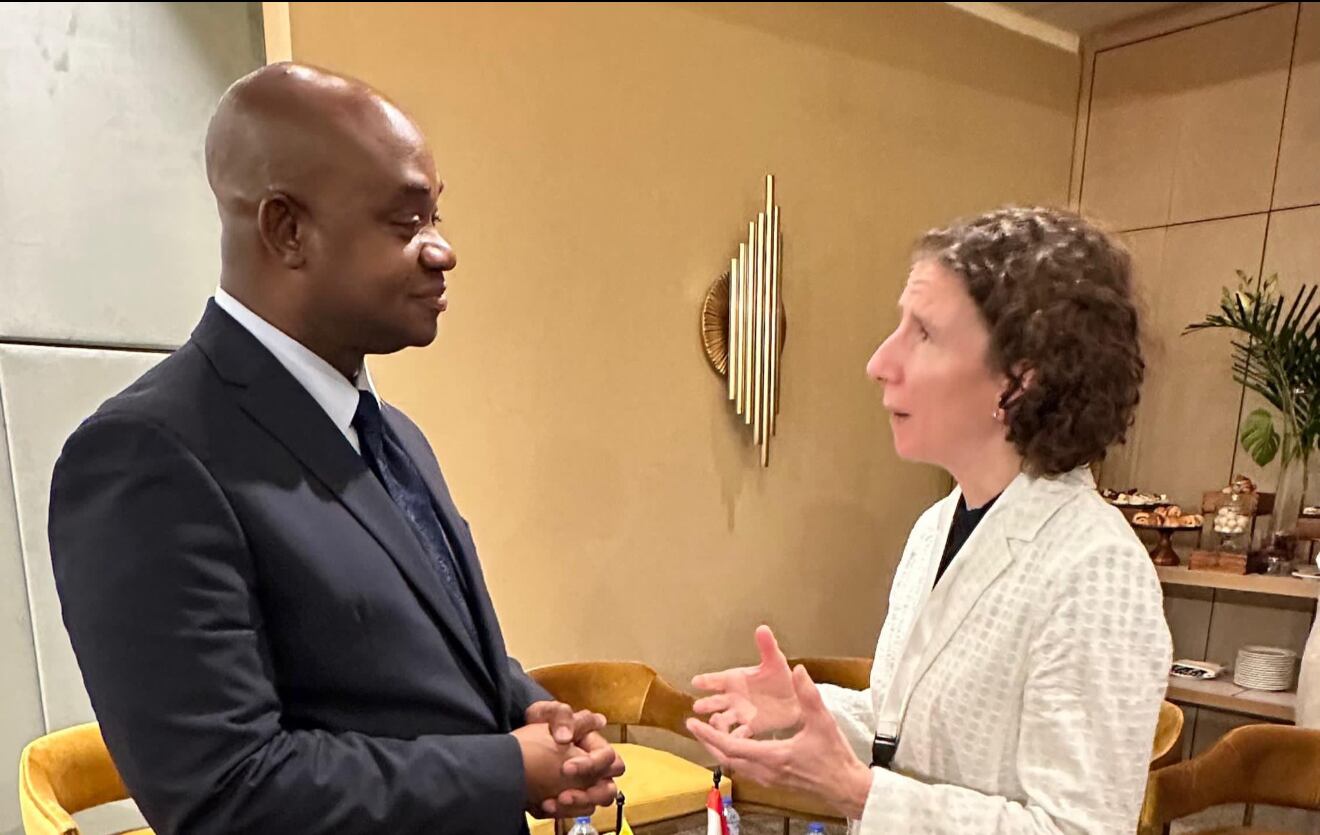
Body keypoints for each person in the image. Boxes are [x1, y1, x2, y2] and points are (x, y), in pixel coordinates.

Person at [48, 63, 622, 835]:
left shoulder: (392, 434)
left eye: (436, 218)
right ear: (288, 230)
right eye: (405, 223)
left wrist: (529, 712)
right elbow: (225, 793)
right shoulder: (148, 456)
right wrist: (509, 767)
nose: (442, 251)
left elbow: (418, 662)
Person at [686, 206, 1171, 834]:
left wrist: (860, 795)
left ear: (1020, 381)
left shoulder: (1097, 572)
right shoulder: (939, 526)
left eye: (924, 335)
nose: (881, 362)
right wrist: (810, 712)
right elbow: (908, 733)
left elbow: (1078, 830)